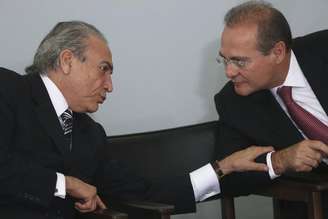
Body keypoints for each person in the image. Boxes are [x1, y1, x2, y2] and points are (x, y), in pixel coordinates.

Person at [0, 21, 272, 218]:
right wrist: (65, 184)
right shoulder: (8, 89)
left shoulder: (90, 134)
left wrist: (222, 168)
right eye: (104, 69)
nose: (110, 86)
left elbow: (144, 193)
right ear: (68, 60)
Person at [214, 0, 328, 217]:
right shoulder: (233, 102)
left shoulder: (324, 47)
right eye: (224, 60)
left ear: (277, 52)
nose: (229, 72)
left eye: (239, 61)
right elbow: (228, 176)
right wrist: (280, 160)